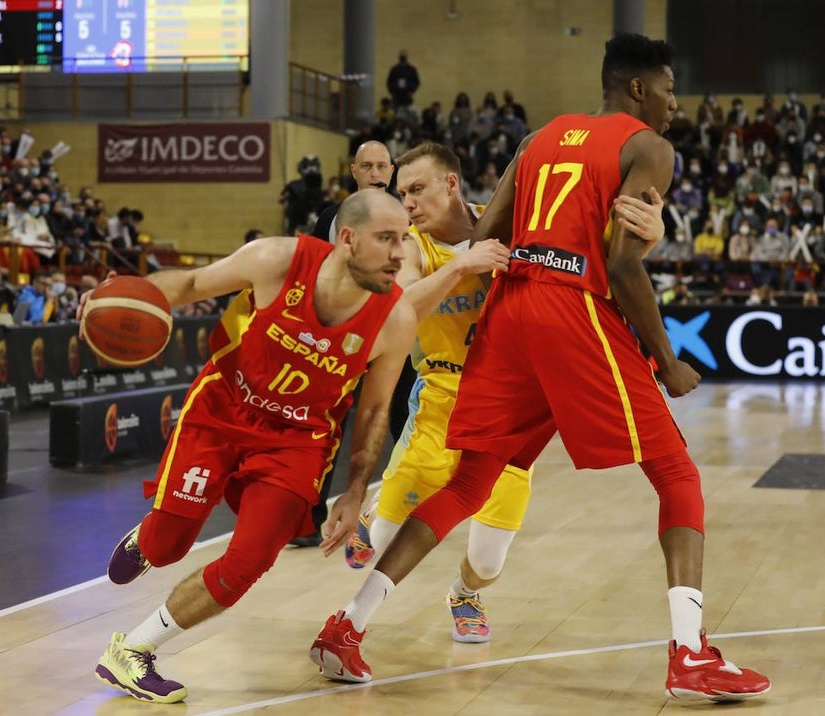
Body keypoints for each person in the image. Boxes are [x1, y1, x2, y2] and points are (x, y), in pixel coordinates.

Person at [310, 34, 771, 703]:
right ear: (638, 89)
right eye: (670, 90)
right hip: (570, 310)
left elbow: (483, 237)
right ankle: (691, 654)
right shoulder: (648, 147)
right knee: (676, 472)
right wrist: (667, 359)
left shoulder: (540, 138)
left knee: (470, 483)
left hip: (510, 310)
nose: (676, 103)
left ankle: (345, 628)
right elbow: (619, 262)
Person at [90, 190, 417, 704]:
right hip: (223, 409)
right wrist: (132, 295)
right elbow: (193, 283)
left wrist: (354, 494)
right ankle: (151, 538)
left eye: (404, 240)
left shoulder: (395, 319)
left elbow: (375, 412)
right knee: (168, 546)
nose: (400, 253)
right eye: (387, 239)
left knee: (250, 560)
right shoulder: (278, 259)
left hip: (298, 441)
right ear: (348, 239)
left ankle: (132, 651)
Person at [341, 141, 669, 646]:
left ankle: (465, 593)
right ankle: (374, 526)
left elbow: (596, 265)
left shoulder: (517, 227)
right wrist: (461, 266)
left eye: (417, 189)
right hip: (442, 398)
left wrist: (648, 240)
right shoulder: (407, 245)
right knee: (385, 542)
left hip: (510, 402)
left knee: (489, 559)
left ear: (451, 184)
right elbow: (398, 308)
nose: (406, 202)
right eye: (400, 192)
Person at [293, 140, 399, 549]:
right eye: (367, 165)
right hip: (345, 339)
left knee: (403, 426)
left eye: (381, 166)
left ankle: (401, 512)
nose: (375, 173)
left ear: (391, 171)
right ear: (353, 170)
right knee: (328, 426)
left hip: (395, 338)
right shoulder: (329, 220)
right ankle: (307, 519)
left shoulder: (409, 216)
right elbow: (315, 276)